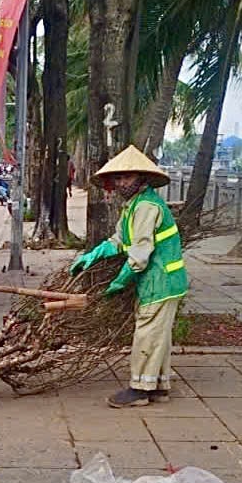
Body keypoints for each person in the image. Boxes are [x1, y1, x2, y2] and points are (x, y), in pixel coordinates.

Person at [69, 145, 188, 408]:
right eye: (118, 178)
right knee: (158, 335)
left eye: (127, 177)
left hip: (161, 281)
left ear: (142, 178)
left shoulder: (146, 206)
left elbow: (140, 253)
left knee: (147, 334)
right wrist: (94, 254)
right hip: (159, 281)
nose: (121, 182)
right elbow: (121, 240)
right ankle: (158, 386)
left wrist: (120, 281)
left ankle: (140, 390)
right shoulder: (133, 205)